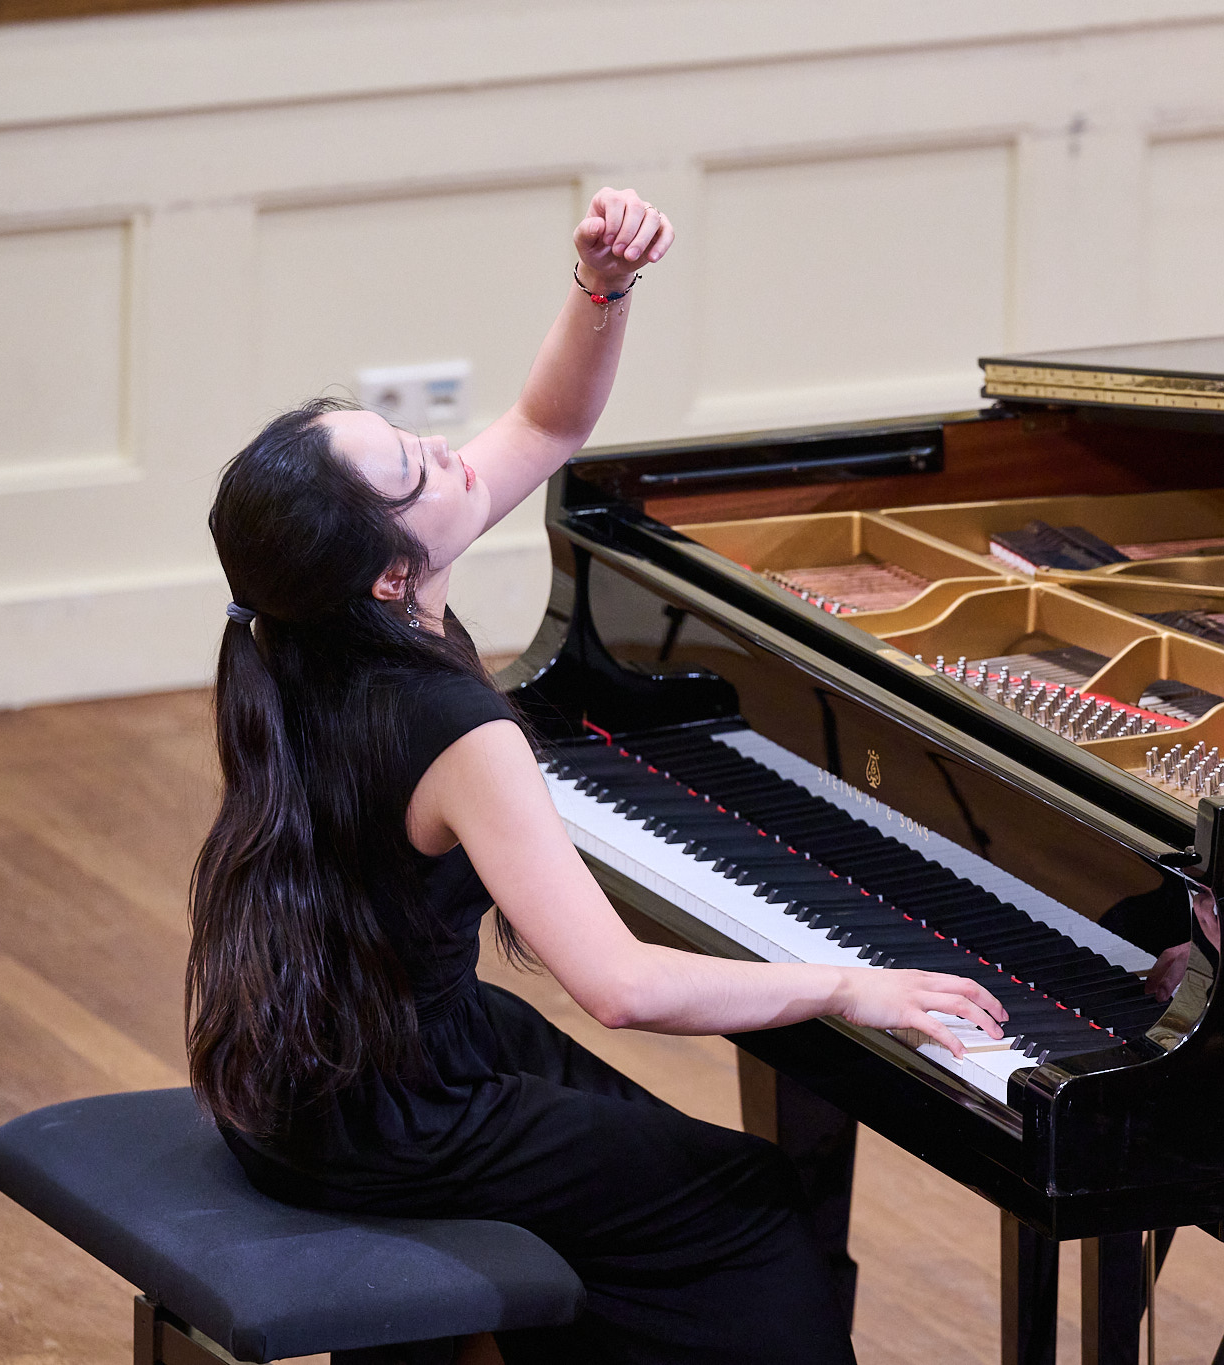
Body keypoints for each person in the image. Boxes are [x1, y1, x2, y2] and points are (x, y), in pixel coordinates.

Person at [186, 187, 1008, 1365]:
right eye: (413, 467)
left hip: (336, 1068)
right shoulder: (452, 727)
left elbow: (546, 419)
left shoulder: (299, 636)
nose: (446, 454)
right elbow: (620, 988)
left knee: (649, 1171)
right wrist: (842, 986)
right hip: (391, 1113)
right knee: (746, 1208)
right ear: (387, 572)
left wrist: (600, 285)